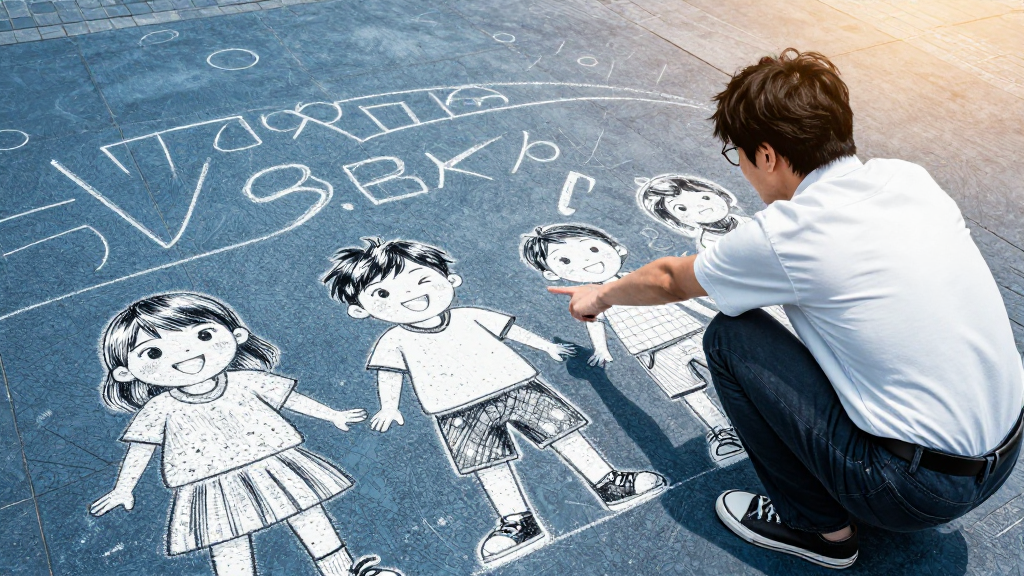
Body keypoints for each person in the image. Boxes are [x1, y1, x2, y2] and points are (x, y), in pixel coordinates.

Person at [547, 48, 1024, 569]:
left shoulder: (787, 234)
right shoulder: (908, 179)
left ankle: (819, 532)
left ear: (767, 155)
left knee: (732, 338)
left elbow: (666, 279)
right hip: (1006, 451)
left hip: (913, 492)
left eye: (739, 154)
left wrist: (598, 294)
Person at [321, 237, 666, 565]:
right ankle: (517, 522)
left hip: (518, 387)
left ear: (450, 279)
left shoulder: (468, 314)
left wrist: (545, 346)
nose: (410, 294)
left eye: (421, 279)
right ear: (359, 310)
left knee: (565, 435)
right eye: (382, 293)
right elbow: (389, 372)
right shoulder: (394, 339)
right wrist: (389, 406)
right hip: (457, 411)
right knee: (490, 464)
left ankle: (609, 482)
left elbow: (508, 331)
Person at [90, 292, 403, 576]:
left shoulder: (245, 381)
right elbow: (141, 447)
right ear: (124, 372)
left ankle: (342, 572)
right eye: (154, 353)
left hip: (273, 464)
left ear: (237, 336)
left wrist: (332, 414)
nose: (185, 351)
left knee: (310, 516)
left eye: (202, 335)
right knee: (228, 541)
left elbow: (288, 399)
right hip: (208, 482)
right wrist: (123, 488)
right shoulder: (160, 408)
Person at [520, 222, 746, 465]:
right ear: (552, 274)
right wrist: (601, 348)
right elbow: (595, 321)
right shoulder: (594, 298)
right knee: (691, 392)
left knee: (733, 374)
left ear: (617, 248)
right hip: (652, 351)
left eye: (593, 249)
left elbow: (678, 291)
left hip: (691, 333)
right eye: (565, 260)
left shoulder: (637, 279)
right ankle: (721, 430)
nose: (585, 260)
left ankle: (759, 412)